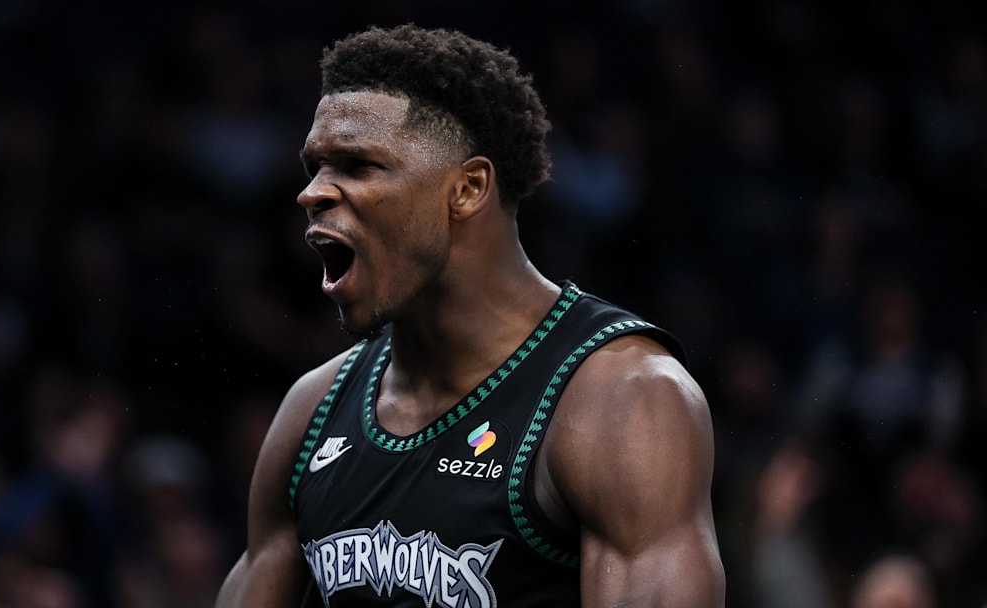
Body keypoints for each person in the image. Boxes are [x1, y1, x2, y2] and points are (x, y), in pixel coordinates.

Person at [216, 24, 724, 607]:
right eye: (315, 167)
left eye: (356, 165)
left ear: (467, 188)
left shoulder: (622, 399)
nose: (313, 193)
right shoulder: (313, 408)